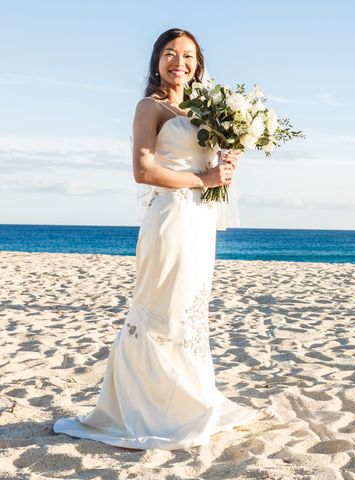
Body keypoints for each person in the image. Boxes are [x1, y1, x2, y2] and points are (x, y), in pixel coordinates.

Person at [53, 28, 257, 450]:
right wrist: (204, 178)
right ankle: (146, 409)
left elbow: (209, 169)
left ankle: (189, 401)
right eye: (169, 54)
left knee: (189, 311)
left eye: (187, 55)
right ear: (157, 61)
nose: (177, 62)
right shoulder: (150, 106)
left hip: (200, 221)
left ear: (198, 64)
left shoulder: (208, 111)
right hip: (171, 218)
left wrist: (225, 161)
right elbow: (143, 170)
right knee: (160, 310)